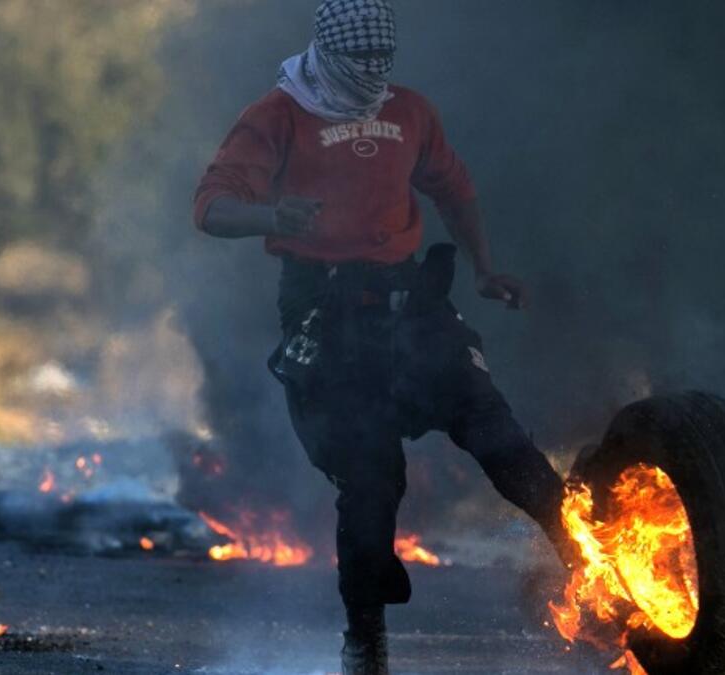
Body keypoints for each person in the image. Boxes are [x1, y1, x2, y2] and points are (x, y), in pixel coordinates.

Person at [192, 2, 574, 672]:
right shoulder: (277, 116)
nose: (372, 72)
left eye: (381, 59)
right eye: (359, 60)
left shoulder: (410, 111)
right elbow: (211, 208)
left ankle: (592, 559)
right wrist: (271, 215)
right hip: (325, 308)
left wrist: (483, 269)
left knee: (497, 432)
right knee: (370, 478)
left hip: (412, 301)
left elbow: (453, 188)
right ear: (328, 53)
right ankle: (363, 640)